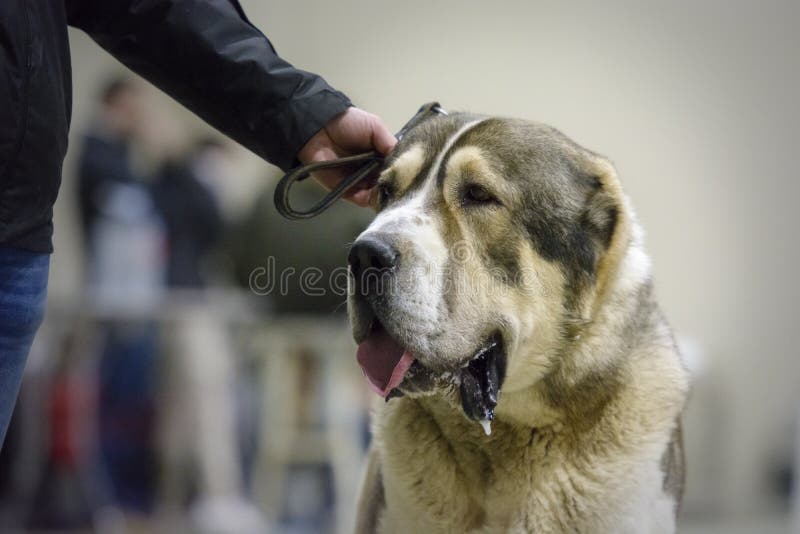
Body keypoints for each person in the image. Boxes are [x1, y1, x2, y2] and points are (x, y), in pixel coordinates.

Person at [0, 0, 397, 447]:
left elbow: (158, 10)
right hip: (48, 248)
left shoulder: (261, 199)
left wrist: (305, 113)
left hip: (22, 236)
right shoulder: (126, 166)